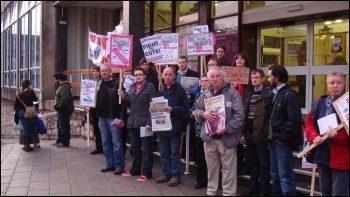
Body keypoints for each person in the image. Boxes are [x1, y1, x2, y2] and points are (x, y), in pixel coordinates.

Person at [193, 66, 245, 196]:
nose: (215, 79)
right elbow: (195, 111)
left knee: (229, 170)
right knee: (211, 168)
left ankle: (228, 193)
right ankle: (211, 191)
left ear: (223, 77)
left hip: (226, 139)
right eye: (212, 76)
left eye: (218, 76)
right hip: (209, 139)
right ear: (209, 79)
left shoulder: (232, 93)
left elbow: (239, 115)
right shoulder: (205, 93)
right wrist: (202, 114)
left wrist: (226, 129)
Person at [305, 70, 349, 196]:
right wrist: (314, 137)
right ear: (327, 85)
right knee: (325, 191)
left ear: (344, 84)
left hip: (341, 157)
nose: (335, 86)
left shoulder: (347, 104)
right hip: (322, 154)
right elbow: (309, 124)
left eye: (339, 83)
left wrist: (338, 137)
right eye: (332, 83)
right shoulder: (319, 102)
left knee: (339, 192)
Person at [267, 65, 302, 196]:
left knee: (285, 177)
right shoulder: (274, 93)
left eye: (270, 76)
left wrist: (282, 138)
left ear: (276, 78)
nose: (268, 78)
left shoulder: (290, 95)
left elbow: (293, 121)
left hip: (282, 142)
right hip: (273, 141)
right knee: (275, 175)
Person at [118, 67, 157, 182]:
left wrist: (150, 122)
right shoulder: (131, 87)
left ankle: (146, 172)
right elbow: (129, 102)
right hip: (133, 122)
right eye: (136, 75)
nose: (138, 76)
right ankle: (135, 168)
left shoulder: (150, 88)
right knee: (135, 148)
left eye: (140, 74)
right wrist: (123, 96)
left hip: (145, 123)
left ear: (145, 76)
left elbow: (154, 106)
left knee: (146, 148)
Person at [154, 67, 190, 187]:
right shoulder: (161, 90)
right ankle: (166, 173)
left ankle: (175, 175)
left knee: (175, 153)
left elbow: (186, 108)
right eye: (166, 74)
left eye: (170, 74)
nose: (168, 76)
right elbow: (156, 106)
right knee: (164, 152)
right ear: (163, 76)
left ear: (174, 76)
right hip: (161, 126)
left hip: (174, 126)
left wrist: (173, 109)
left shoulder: (180, 90)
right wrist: (152, 109)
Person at [240, 69, 271, 196]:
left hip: (262, 134)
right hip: (249, 133)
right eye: (252, 77)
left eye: (257, 77)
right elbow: (244, 115)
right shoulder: (249, 95)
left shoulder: (268, 95)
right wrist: (242, 133)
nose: (254, 79)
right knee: (252, 162)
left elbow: (270, 117)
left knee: (264, 163)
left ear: (262, 79)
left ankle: (264, 190)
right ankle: (253, 188)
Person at [97, 65, 125, 175]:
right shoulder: (99, 84)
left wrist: (121, 117)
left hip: (113, 117)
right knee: (105, 142)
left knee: (117, 143)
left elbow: (123, 103)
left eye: (105, 70)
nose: (103, 72)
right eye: (102, 71)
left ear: (110, 71)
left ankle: (119, 166)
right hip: (102, 118)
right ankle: (109, 164)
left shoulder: (118, 83)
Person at [231, 52, 254, 176]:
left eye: (242, 59)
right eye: (237, 59)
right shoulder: (230, 74)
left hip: (246, 108)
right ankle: (238, 165)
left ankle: (248, 165)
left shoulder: (250, 74)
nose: (239, 61)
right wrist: (232, 87)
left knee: (245, 138)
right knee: (237, 139)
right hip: (234, 109)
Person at [176, 55, 199, 162]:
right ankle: (180, 152)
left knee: (190, 132)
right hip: (178, 105)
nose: (181, 64)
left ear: (187, 63)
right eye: (180, 62)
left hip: (190, 104)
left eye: (183, 62)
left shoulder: (194, 74)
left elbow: (197, 90)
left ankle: (190, 153)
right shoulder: (174, 75)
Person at [191, 73, 210, 189]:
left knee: (210, 158)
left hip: (209, 130)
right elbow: (194, 109)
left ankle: (210, 181)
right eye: (202, 81)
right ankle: (201, 180)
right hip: (199, 130)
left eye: (206, 81)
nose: (203, 83)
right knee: (201, 157)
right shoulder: (198, 94)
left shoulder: (213, 94)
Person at [14, 79, 39, 152]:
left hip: (22, 113)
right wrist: (32, 90)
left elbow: (15, 106)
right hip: (30, 112)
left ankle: (26, 145)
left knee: (25, 129)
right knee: (32, 128)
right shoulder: (30, 92)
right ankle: (31, 143)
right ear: (29, 85)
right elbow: (36, 100)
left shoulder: (19, 94)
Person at [53, 73, 75, 148]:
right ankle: (60, 140)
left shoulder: (65, 87)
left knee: (64, 125)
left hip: (64, 109)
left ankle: (64, 142)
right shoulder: (62, 86)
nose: (54, 81)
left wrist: (60, 106)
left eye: (55, 79)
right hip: (61, 109)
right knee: (60, 125)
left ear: (58, 79)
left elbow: (65, 98)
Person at [86, 66, 103, 155]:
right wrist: (87, 105)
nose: (95, 73)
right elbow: (87, 95)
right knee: (96, 129)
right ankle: (98, 147)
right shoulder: (90, 83)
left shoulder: (102, 82)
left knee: (102, 130)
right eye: (94, 71)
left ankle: (104, 147)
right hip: (93, 109)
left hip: (100, 109)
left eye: (97, 71)